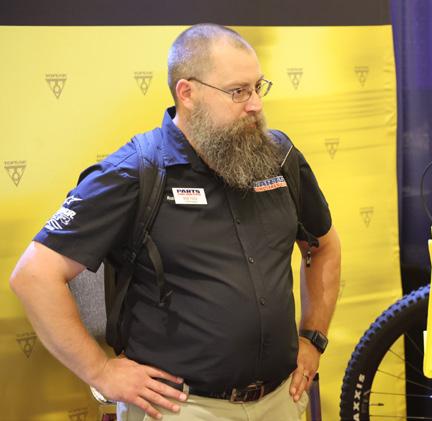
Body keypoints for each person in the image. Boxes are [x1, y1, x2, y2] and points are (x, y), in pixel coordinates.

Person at [8, 24, 341, 420]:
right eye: (238, 91)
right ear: (187, 93)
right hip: (179, 407)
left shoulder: (279, 157)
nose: (255, 104)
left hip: (280, 399)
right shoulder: (137, 171)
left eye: (257, 87)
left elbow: (323, 247)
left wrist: (313, 339)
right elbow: (34, 274)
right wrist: (100, 371)